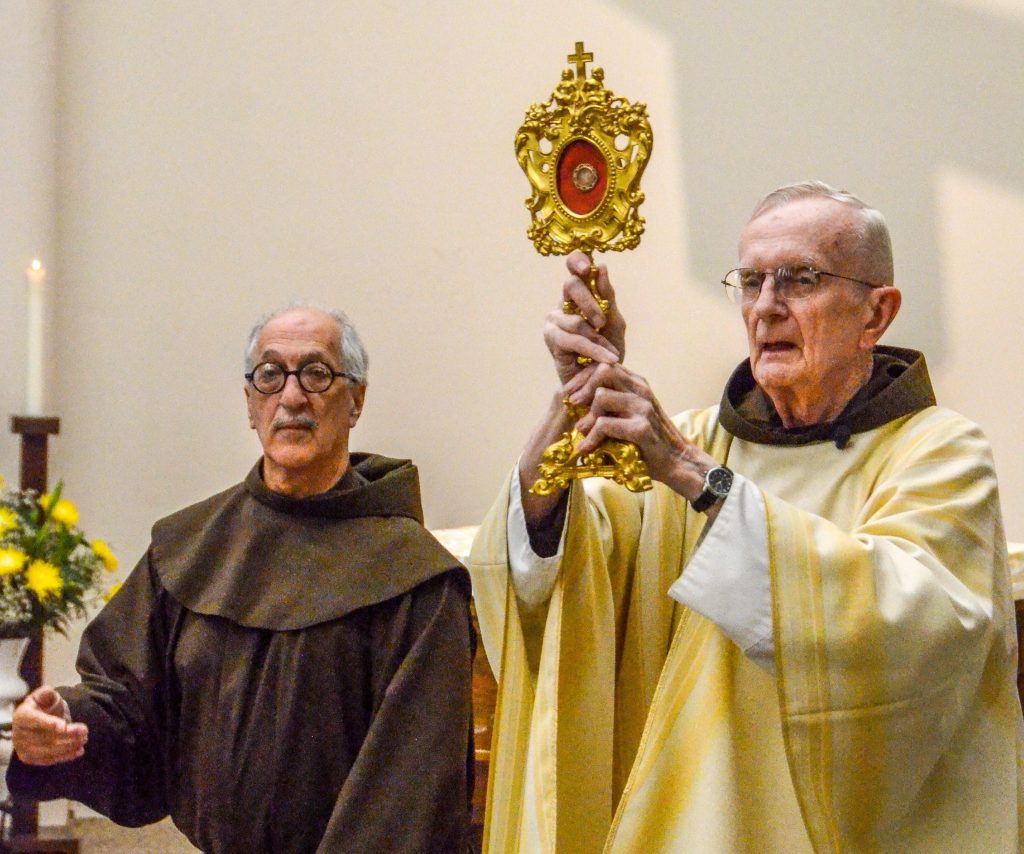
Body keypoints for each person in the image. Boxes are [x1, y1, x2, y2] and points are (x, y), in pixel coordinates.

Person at [469, 182, 1024, 852]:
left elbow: (914, 631)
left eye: (800, 279)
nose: (766, 308)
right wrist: (575, 392)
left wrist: (689, 470)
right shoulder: (698, 438)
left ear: (876, 314)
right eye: (752, 280)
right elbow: (555, 578)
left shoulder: (936, 452)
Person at [8, 306, 474, 853]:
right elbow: (130, 709)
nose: (293, 397)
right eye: (270, 375)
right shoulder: (190, 546)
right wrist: (63, 725)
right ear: (251, 403)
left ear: (356, 401)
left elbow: (408, 791)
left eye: (317, 374)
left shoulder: (414, 577)